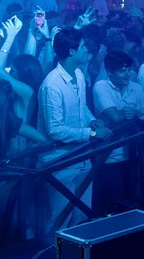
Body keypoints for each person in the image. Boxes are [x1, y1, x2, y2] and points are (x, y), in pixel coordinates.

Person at [38, 28, 112, 230]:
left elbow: (82, 107)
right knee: (58, 219)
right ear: (71, 51)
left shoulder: (78, 74)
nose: (86, 49)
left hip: (81, 157)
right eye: (82, 46)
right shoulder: (52, 85)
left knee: (81, 216)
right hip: (59, 162)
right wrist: (92, 133)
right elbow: (55, 130)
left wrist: (92, 121)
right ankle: (50, 249)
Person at [92, 51, 144, 215]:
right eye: (122, 71)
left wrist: (136, 113)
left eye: (129, 70)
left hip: (134, 154)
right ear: (109, 71)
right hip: (108, 156)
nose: (127, 74)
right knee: (111, 205)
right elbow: (114, 116)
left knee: (132, 204)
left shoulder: (137, 88)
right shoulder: (101, 86)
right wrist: (133, 113)